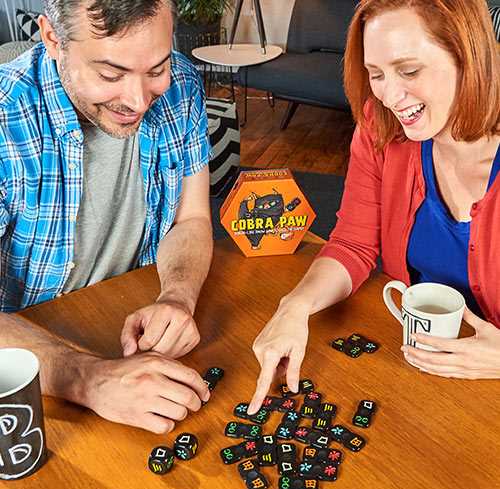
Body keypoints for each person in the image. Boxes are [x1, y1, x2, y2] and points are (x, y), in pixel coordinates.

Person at [248, 0, 500, 414]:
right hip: (417, 380)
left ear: (467, 55)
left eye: (409, 70)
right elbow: (353, 245)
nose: (388, 95)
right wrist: (295, 306)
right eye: (376, 74)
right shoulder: (380, 125)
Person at [0, 0, 214, 433]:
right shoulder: (5, 115)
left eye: (156, 68)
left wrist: (177, 296)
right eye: (110, 74)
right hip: (33, 367)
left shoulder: (183, 85)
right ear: (53, 39)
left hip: (127, 323)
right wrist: (87, 379)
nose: (138, 100)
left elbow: (192, 221)